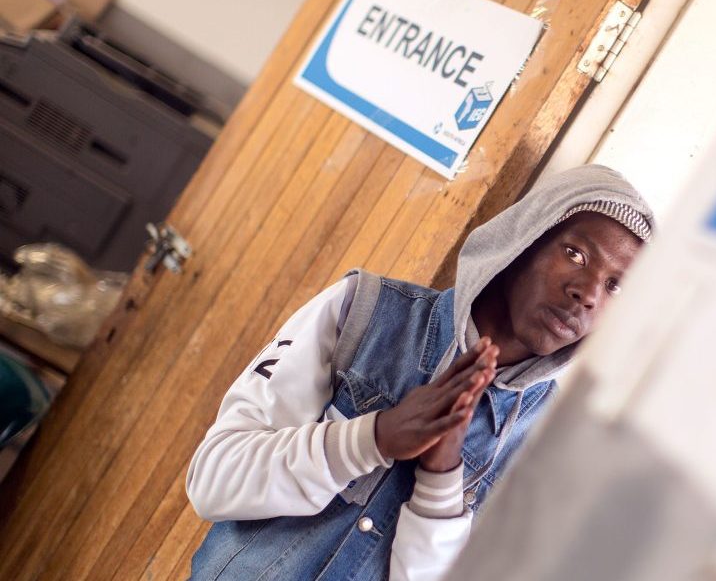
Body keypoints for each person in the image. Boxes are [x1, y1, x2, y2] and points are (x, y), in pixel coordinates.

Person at [185, 165, 655, 580]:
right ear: (523, 239)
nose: (588, 293)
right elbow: (213, 480)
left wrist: (441, 483)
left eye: (616, 285)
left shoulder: (554, 444)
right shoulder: (360, 311)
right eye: (575, 254)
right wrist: (371, 438)